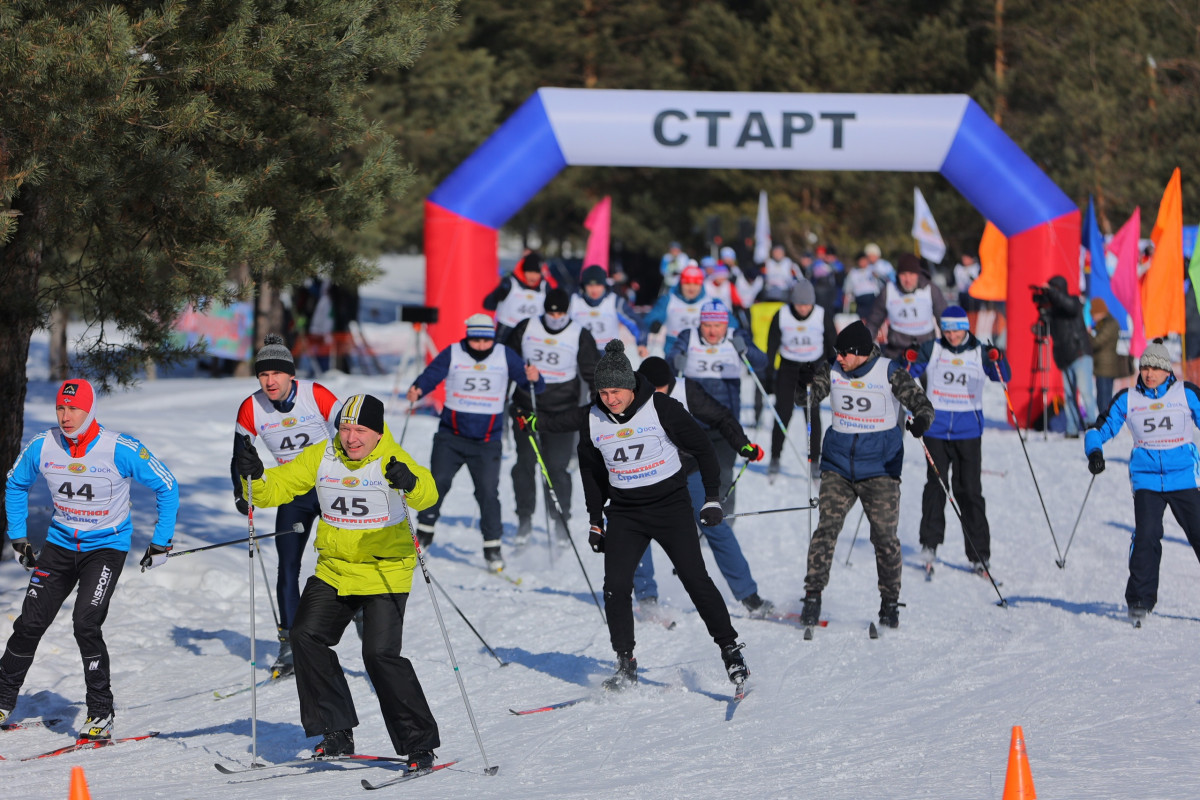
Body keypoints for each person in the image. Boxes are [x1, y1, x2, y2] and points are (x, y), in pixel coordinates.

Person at [235, 393, 442, 767]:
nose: (351, 437)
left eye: (360, 430)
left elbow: (427, 495)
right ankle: (336, 732)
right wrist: (255, 476)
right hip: (334, 568)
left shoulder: (391, 458)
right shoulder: (323, 454)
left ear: (378, 433)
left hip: (384, 571)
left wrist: (409, 481)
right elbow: (278, 488)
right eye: (345, 428)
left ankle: (419, 744)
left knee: (378, 655)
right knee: (305, 636)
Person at [543, 340, 748, 691]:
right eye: (604, 392)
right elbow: (591, 474)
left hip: (670, 506)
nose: (611, 398)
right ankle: (626, 663)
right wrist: (596, 520)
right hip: (626, 513)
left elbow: (703, 447)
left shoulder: (661, 407)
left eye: (617, 391)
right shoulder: (593, 419)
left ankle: (730, 650)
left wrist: (712, 498)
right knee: (616, 588)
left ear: (631, 385)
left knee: (695, 579)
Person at [0, 380, 179, 740]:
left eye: (74, 409)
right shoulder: (42, 444)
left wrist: (161, 542)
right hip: (60, 545)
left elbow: (167, 485)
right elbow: (15, 484)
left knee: (85, 624)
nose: (66, 417)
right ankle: (3, 698)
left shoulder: (120, 448)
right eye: (60, 409)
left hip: (106, 549)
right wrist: (18, 536)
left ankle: (100, 712)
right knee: (30, 623)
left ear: (90, 410)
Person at [799, 321, 935, 630]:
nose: (840, 358)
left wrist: (921, 422)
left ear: (860, 353)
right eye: (837, 353)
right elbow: (805, 399)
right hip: (838, 467)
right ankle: (812, 596)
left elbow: (921, 403)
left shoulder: (889, 372)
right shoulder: (833, 368)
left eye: (844, 353)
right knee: (826, 529)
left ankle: (889, 603)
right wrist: (803, 381)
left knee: (885, 538)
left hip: (880, 470)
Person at [629, 357, 773, 618]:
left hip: (689, 470)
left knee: (716, 527)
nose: (657, 395)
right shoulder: (631, 395)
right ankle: (647, 598)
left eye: (663, 389)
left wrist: (742, 445)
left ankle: (750, 597)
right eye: (653, 390)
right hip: (649, 475)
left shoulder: (687, 390)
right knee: (639, 528)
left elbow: (722, 416)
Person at [231, 334, 340, 678]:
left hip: (329, 486)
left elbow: (353, 433)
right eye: (263, 375)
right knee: (287, 565)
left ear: (291, 375)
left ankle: (363, 617)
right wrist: (241, 490)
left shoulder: (316, 394)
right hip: (291, 492)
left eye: (277, 374)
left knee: (342, 554)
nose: (270, 381)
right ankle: (290, 642)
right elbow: (240, 455)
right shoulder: (251, 408)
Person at [407, 313, 544, 571]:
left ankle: (492, 548)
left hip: (486, 441)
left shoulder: (504, 355)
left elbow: (532, 384)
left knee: (487, 493)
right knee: (437, 484)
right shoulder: (454, 353)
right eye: (476, 340)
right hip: (451, 436)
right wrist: (418, 388)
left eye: (486, 340)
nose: (481, 345)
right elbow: (432, 374)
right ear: (468, 336)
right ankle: (423, 535)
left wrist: (536, 378)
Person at [1084, 339, 1200, 623]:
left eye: (1156, 368)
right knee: (1147, 536)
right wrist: (1095, 451)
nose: (1149, 373)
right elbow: (1099, 429)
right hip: (1147, 481)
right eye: (1145, 367)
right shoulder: (1128, 398)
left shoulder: (1185, 393)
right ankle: (1139, 600)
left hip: (1183, 477)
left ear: (1167, 369)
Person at [906, 306, 1009, 577]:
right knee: (936, 487)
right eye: (947, 329)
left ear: (966, 328)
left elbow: (1002, 376)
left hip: (968, 431)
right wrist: (910, 357)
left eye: (957, 329)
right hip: (936, 429)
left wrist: (999, 358)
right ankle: (929, 544)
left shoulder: (979, 350)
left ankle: (979, 555)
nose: (952, 335)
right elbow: (909, 372)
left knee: (969, 491)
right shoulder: (933, 348)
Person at [508, 288, 599, 544]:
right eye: (551, 311)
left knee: (556, 468)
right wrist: (518, 375)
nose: (555, 316)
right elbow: (506, 358)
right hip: (527, 407)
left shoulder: (579, 334)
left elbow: (591, 371)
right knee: (524, 464)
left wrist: (597, 403)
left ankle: (561, 521)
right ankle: (524, 520)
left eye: (560, 312)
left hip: (563, 413)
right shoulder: (527, 327)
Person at [667, 299, 767, 515]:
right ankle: (691, 521)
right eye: (707, 325)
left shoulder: (736, 336)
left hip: (725, 425)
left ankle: (723, 521)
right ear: (700, 324)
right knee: (688, 477)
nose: (712, 331)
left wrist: (746, 350)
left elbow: (762, 362)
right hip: (691, 424)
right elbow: (670, 357)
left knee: (722, 474)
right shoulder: (689, 335)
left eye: (718, 326)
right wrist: (676, 359)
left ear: (725, 325)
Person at [764, 279, 837, 481]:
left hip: (812, 368)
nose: (804, 309)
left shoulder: (821, 315)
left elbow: (832, 345)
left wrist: (832, 371)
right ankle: (775, 456)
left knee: (812, 415)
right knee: (783, 413)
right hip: (788, 368)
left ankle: (815, 460)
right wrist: (768, 374)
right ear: (793, 302)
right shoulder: (782, 315)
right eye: (799, 304)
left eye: (807, 304)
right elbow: (771, 347)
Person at [1038, 276, 1097, 437]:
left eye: (1052, 289)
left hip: (1080, 354)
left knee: (1085, 392)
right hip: (1065, 358)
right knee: (1069, 395)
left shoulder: (1073, 302)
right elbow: (1045, 331)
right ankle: (1072, 429)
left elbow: (1068, 305)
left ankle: (1093, 426)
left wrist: (1051, 293)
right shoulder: (1054, 311)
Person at [864, 253, 949, 360]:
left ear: (918, 274)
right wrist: (864, 346)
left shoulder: (930, 289)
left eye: (911, 274)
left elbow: (944, 320)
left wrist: (948, 346)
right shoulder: (888, 291)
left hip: (927, 352)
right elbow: (873, 322)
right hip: (896, 352)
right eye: (903, 274)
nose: (907, 279)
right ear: (898, 275)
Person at [641, 264, 725, 356]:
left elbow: (731, 324)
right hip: (674, 348)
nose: (691, 288)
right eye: (687, 283)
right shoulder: (669, 299)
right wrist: (654, 323)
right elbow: (650, 319)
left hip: (702, 350)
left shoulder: (711, 302)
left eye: (696, 284)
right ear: (681, 283)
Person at [483, 251, 549, 344]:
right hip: (507, 333)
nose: (533, 277)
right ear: (524, 271)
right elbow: (488, 304)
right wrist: (497, 296)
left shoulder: (544, 287)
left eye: (536, 273)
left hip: (532, 335)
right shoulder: (510, 283)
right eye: (530, 272)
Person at [568, 265, 641, 349]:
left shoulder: (614, 301)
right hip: (581, 352)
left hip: (608, 353)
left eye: (598, 285)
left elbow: (634, 322)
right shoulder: (574, 301)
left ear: (604, 285)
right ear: (584, 286)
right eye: (590, 285)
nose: (594, 290)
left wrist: (641, 342)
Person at [1089, 298, 1126, 415]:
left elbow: (1097, 342)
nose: (1092, 317)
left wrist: (1088, 335)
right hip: (1103, 367)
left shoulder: (1110, 324)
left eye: (1093, 313)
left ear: (1099, 312)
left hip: (1106, 368)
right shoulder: (1103, 324)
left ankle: (1105, 425)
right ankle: (1104, 423)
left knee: (1104, 400)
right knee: (1102, 398)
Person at [843, 251, 882, 317]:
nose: (863, 262)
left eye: (865, 260)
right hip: (860, 299)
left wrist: (877, 276)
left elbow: (881, 283)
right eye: (861, 261)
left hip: (872, 298)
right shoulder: (853, 273)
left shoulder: (873, 270)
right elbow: (847, 289)